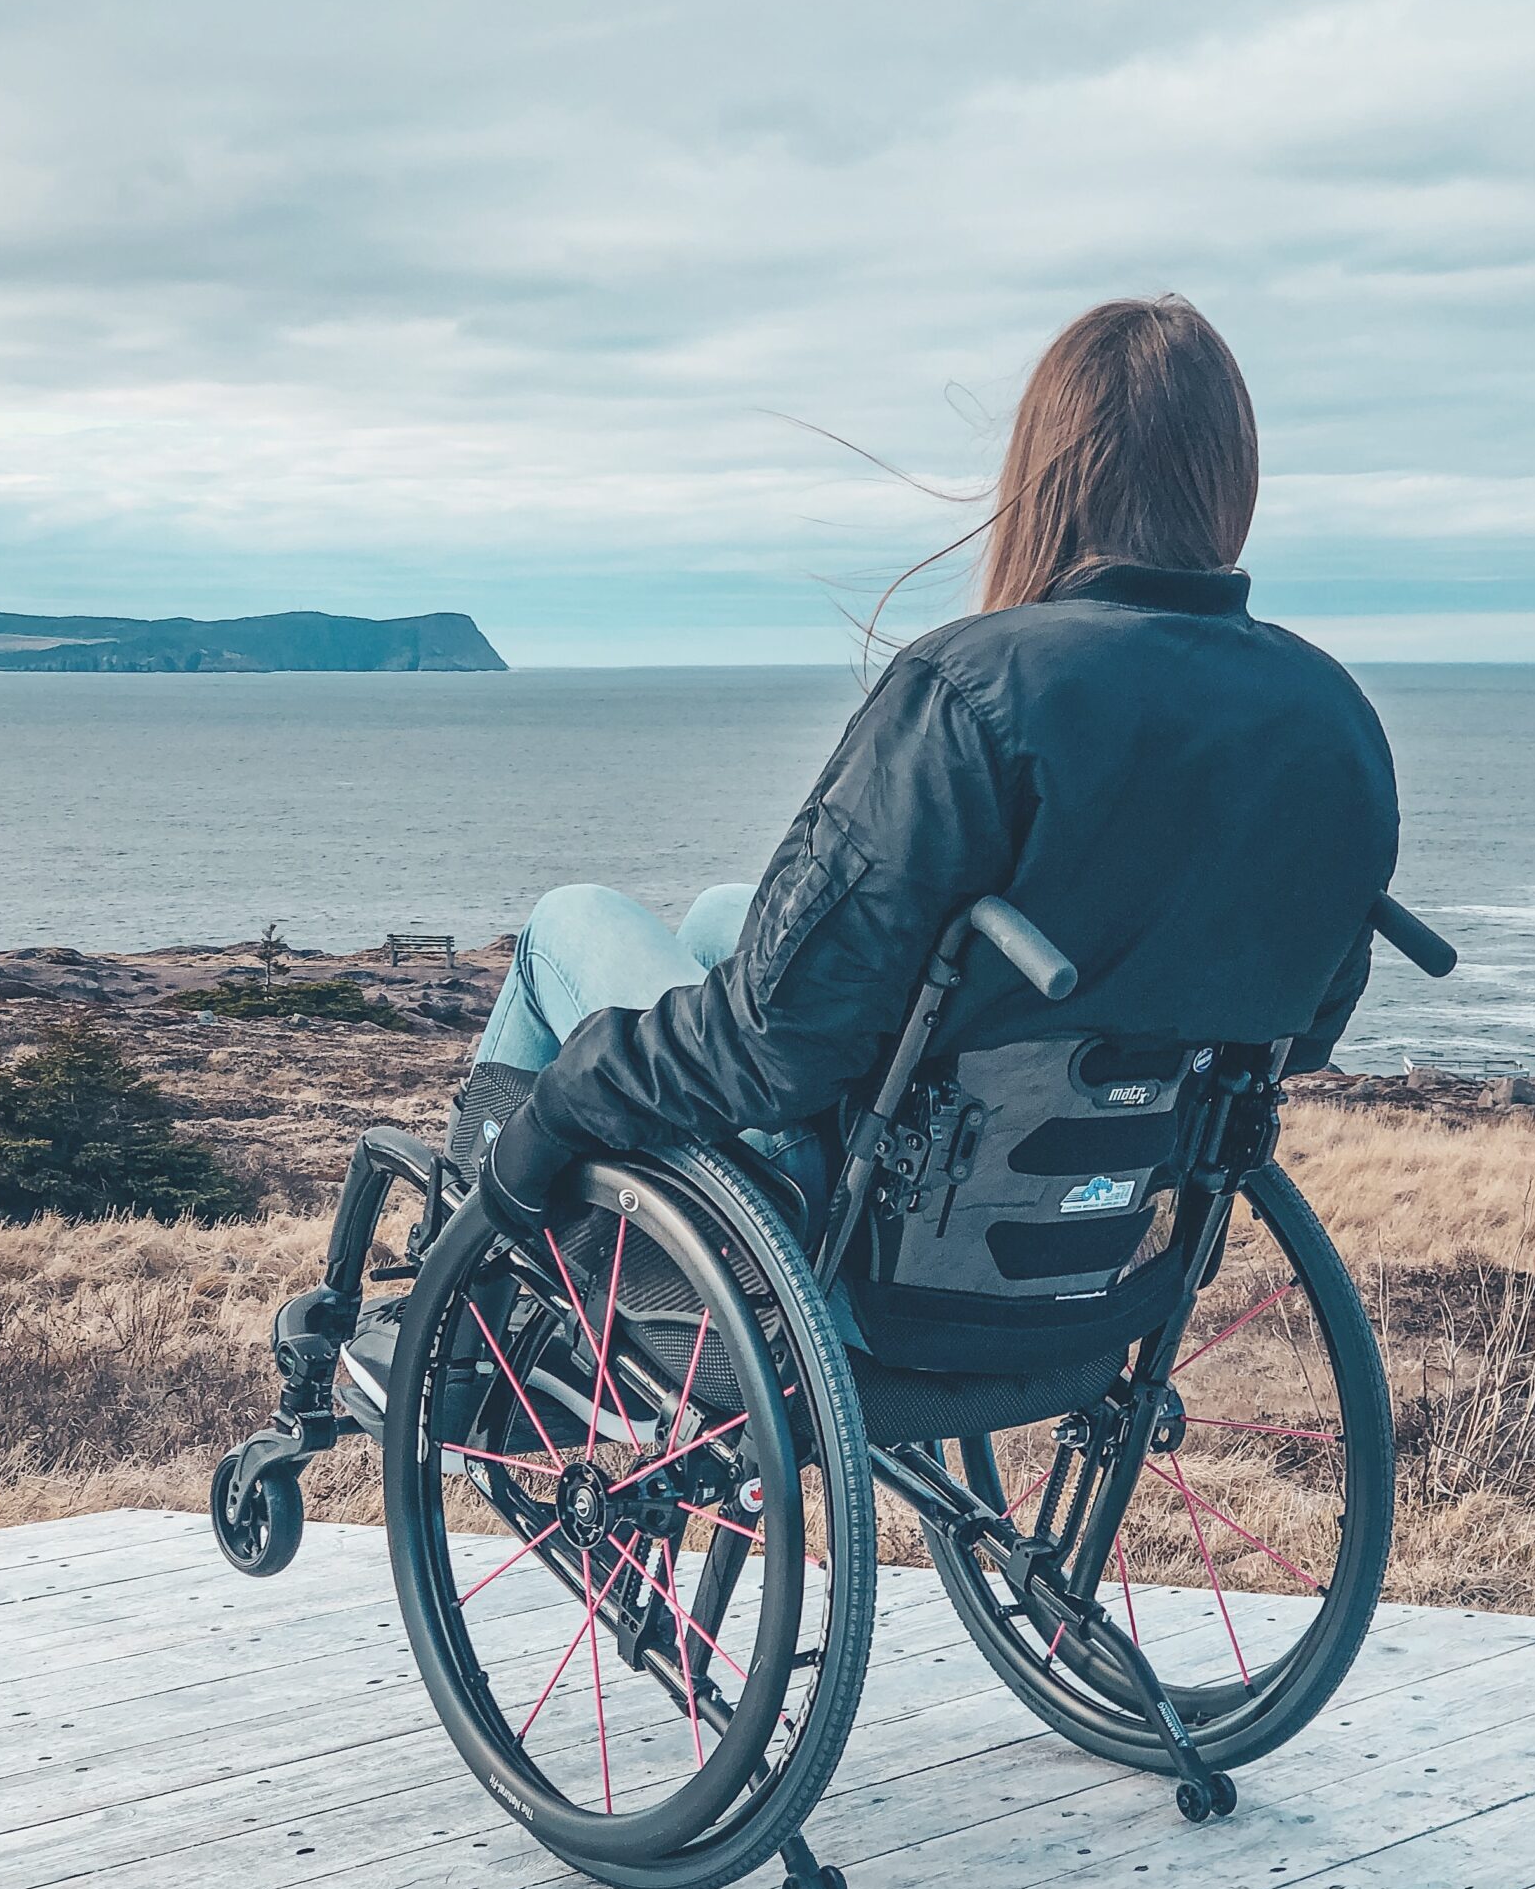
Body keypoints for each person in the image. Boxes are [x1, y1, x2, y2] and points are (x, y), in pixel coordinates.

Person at [476, 295, 1398, 1246]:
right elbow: (1305, 1027)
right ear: (1229, 478)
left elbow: (776, 1047)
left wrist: (563, 1103)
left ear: (1051, 474)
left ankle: (455, 1281)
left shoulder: (976, 687)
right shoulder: (1332, 715)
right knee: (721, 914)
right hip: (1102, 1248)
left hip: (873, 1234)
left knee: (568, 921)